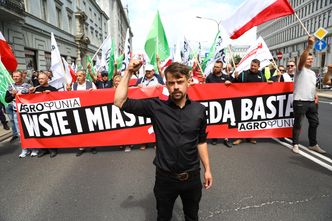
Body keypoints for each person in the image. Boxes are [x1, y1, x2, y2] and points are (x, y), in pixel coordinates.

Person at [114, 60, 213, 221]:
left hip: (192, 177)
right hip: (165, 179)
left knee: (192, 216)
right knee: (163, 217)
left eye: (180, 82)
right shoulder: (156, 107)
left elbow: (201, 141)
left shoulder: (199, 111)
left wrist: (207, 169)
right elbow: (119, 101)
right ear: (166, 85)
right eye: (171, 83)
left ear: (188, 81)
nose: (176, 86)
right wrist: (129, 72)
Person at [292, 36, 326, 154]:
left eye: (312, 59)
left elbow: (312, 86)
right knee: (298, 123)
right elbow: (302, 59)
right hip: (300, 101)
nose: (310, 60)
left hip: (311, 102)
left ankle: (313, 144)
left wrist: (316, 95)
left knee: (314, 123)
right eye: (308, 59)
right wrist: (309, 46)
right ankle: (295, 144)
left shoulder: (312, 73)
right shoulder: (299, 69)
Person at [233, 59, 268, 145]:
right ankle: (240, 137)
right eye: (251, 65)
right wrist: (236, 78)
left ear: (259, 67)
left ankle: (250, 137)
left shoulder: (262, 75)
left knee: (252, 119)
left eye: (255, 66)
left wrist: (271, 83)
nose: (252, 67)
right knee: (241, 120)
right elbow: (235, 85)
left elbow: (266, 86)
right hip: (244, 100)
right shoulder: (244, 74)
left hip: (256, 101)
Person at [68, 69, 97, 156]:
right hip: (78, 110)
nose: (77, 78)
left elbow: (98, 94)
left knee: (91, 128)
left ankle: (93, 146)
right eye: (77, 76)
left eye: (80, 76)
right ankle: (81, 147)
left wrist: (93, 92)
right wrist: (68, 91)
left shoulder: (90, 84)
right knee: (80, 128)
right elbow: (71, 97)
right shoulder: (74, 85)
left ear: (84, 76)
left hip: (89, 109)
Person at [29, 72, 58, 158]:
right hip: (38, 115)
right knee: (40, 132)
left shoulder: (53, 89)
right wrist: (30, 93)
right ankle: (44, 149)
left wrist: (51, 94)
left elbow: (58, 101)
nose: (40, 80)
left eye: (42, 78)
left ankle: (53, 149)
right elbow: (29, 101)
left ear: (47, 79)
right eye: (39, 79)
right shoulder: (35, 89)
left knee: (50, 132)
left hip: (50, 115)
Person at [205, 60, 232, 148]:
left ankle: (226, 138)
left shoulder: (226, 77)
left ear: (221, 68)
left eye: (217, 67)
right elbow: (204, 89)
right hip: (213, 102)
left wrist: (229, 82)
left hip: (224, 102)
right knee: (215, 120)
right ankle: (214, 137)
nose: (215, 68)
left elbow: (234, 87)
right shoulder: (209, 77)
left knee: (225, 121)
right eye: (214, 66)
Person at [5, 70, 32, 157]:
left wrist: (31, 92)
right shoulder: (10, 87)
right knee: (20, 133)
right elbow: (7, 100)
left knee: (30, 130)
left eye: (17, 76)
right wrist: (12, 95)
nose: (15, 78)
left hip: (27, 112)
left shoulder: (28, 86)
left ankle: (34, 148)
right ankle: (25, 149)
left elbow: (33, 98)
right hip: (16, 113)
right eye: (14, 76)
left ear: (22, 77)